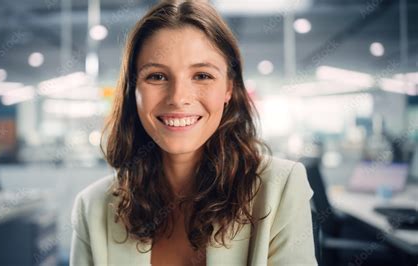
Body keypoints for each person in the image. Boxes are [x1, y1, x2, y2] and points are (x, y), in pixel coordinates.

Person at [70, 1, 316, 265]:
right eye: (157, 76)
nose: (178, 98)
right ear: (133, 89)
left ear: (228, 88)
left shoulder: (281, 188)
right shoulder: (92, 207)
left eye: (202, 75)